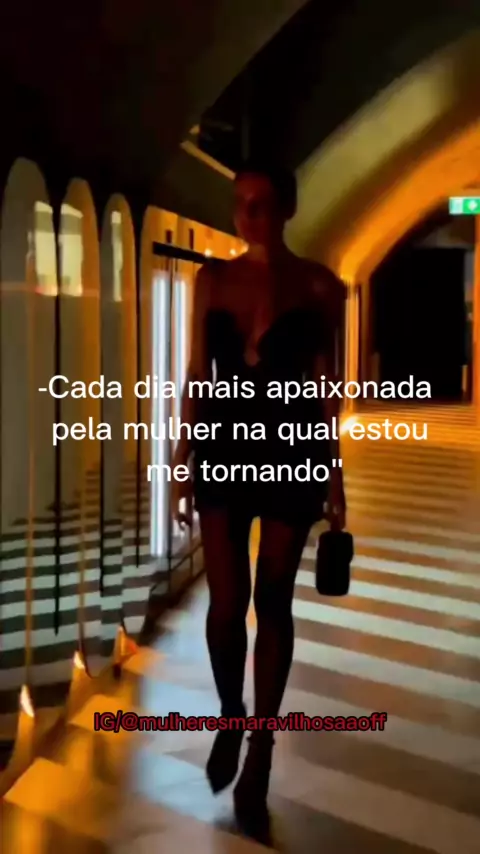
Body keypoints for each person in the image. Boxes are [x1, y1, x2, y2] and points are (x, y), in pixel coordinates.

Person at [171, 160, 346, 842]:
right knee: (225, 603)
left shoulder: (320, 286)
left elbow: (325, 387)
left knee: (273, 599)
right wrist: (180, 457)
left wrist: (335, 478)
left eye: (263, 203)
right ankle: (230, 714)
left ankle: (263, 746)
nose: (249, 215)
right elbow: (196, 374)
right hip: (223, 443)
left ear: (287, 209)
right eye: (241, 202)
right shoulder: (212, 279)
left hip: (293, 448)